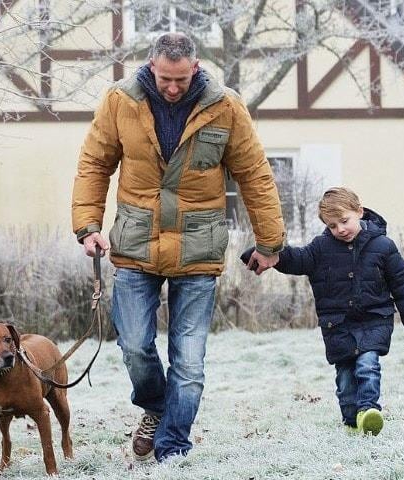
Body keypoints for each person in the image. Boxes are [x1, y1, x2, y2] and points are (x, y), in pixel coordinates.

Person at [71, 31, 287, 462]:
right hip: (135, 242)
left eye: (182, 81)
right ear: (152, 66)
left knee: (189, 363)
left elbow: (255, 175)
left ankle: (173, 449)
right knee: (133, 344)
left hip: (198, 247)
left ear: (196, 69)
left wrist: (270, 242)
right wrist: (87, 225)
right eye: (166, 79)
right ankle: (156, 407)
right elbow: (95, 164)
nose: (173, 88)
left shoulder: (225, 106)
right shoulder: (120, 100)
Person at [247, 187, 404, 435]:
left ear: (360, 212)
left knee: (367, 365)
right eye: (333, 226)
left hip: (374, 320)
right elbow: (297, 259)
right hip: (338, 326)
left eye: (344, 221)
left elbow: (403, 287)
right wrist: (270, 253)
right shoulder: (321, 248)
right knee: (345, 381)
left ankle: (368, 410)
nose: (340, 229)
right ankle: (352, 423)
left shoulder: (383, 246)